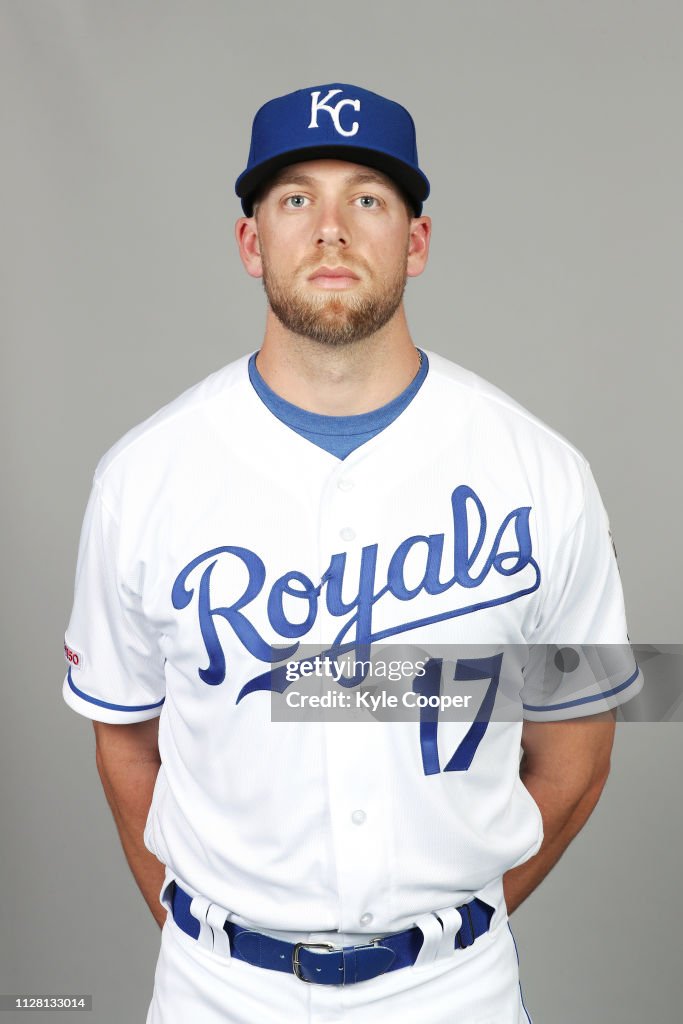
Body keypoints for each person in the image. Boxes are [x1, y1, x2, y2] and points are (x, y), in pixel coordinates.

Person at [62, 83, 643, 1023]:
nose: (330, 229)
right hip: (216, 990)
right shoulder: (143, 476)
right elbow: (124, 741)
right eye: (296, 198)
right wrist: (208, 936)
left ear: (415, 241)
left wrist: (449, 934)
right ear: (251, 243)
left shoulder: (541, 471)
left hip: (456, 990)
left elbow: (578, 743)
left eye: (367, 198)